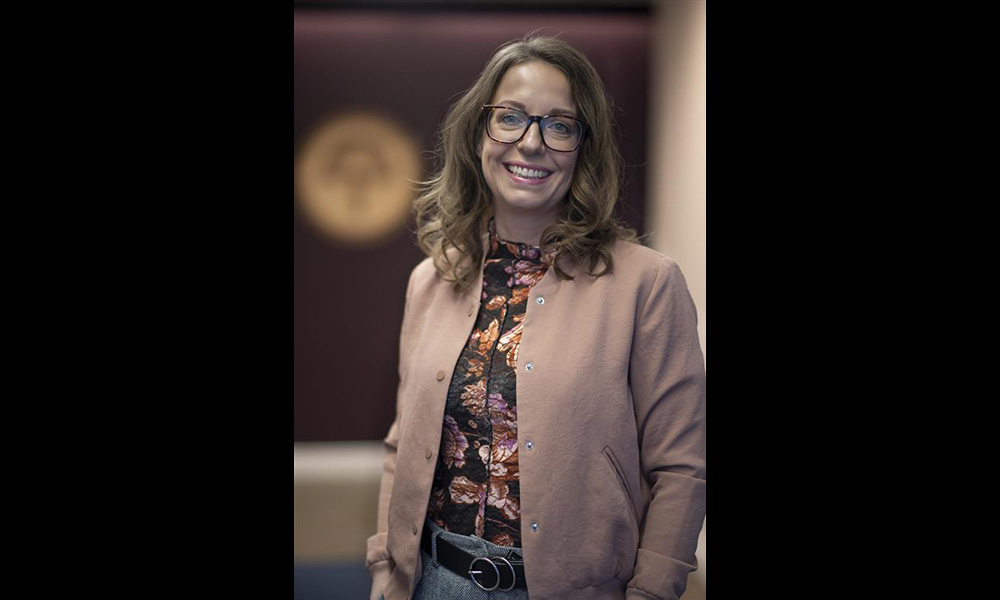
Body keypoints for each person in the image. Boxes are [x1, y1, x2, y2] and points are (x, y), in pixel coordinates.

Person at [367, 34, 705, 600]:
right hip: (432, 583)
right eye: (510, 118)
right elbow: (402, 447)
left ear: (584, 148)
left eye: (560, 125)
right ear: (479, 134)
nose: (531, 143)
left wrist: (652, 592)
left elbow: (681, 470)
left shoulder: (648, 284)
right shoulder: (430, 280)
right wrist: (384, 570)